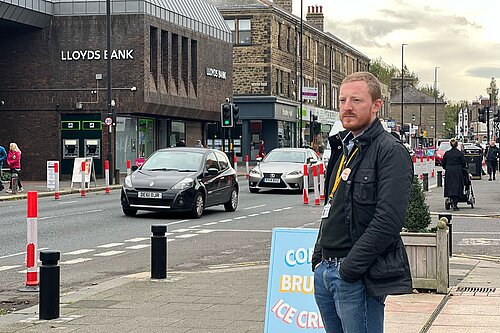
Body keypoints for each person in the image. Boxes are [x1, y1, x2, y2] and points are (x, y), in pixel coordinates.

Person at [312, 72, 413, 333]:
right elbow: (332, 204)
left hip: (356, 275)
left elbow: (388, 220)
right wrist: (319, 259)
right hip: (327, 272)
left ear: (376, 105)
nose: (347, 107)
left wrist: (349, 269)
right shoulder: (343, 148)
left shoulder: (390, 151)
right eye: (343, 100)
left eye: (356, 100)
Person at [442, 138, 466, 210]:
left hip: (449, 170)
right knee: (457, 186)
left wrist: (446, 167)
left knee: (449, 185)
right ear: (457, 145)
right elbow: (463, 164)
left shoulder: (447, 153)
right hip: (457, 170)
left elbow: (443, 163)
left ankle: (450, 198)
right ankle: (455, 204)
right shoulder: (460, 153)